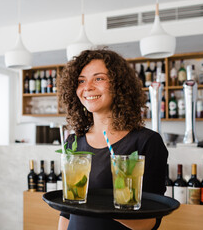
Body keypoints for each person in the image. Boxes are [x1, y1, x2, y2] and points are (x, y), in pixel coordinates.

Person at [58, 49, 168, 230]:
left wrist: (110, 204)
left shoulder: (146, 142)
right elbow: (66, 213)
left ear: (119, 85)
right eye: (81, 81)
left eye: (98, 78)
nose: (88, 87)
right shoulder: (72, 143)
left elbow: (149, 223)